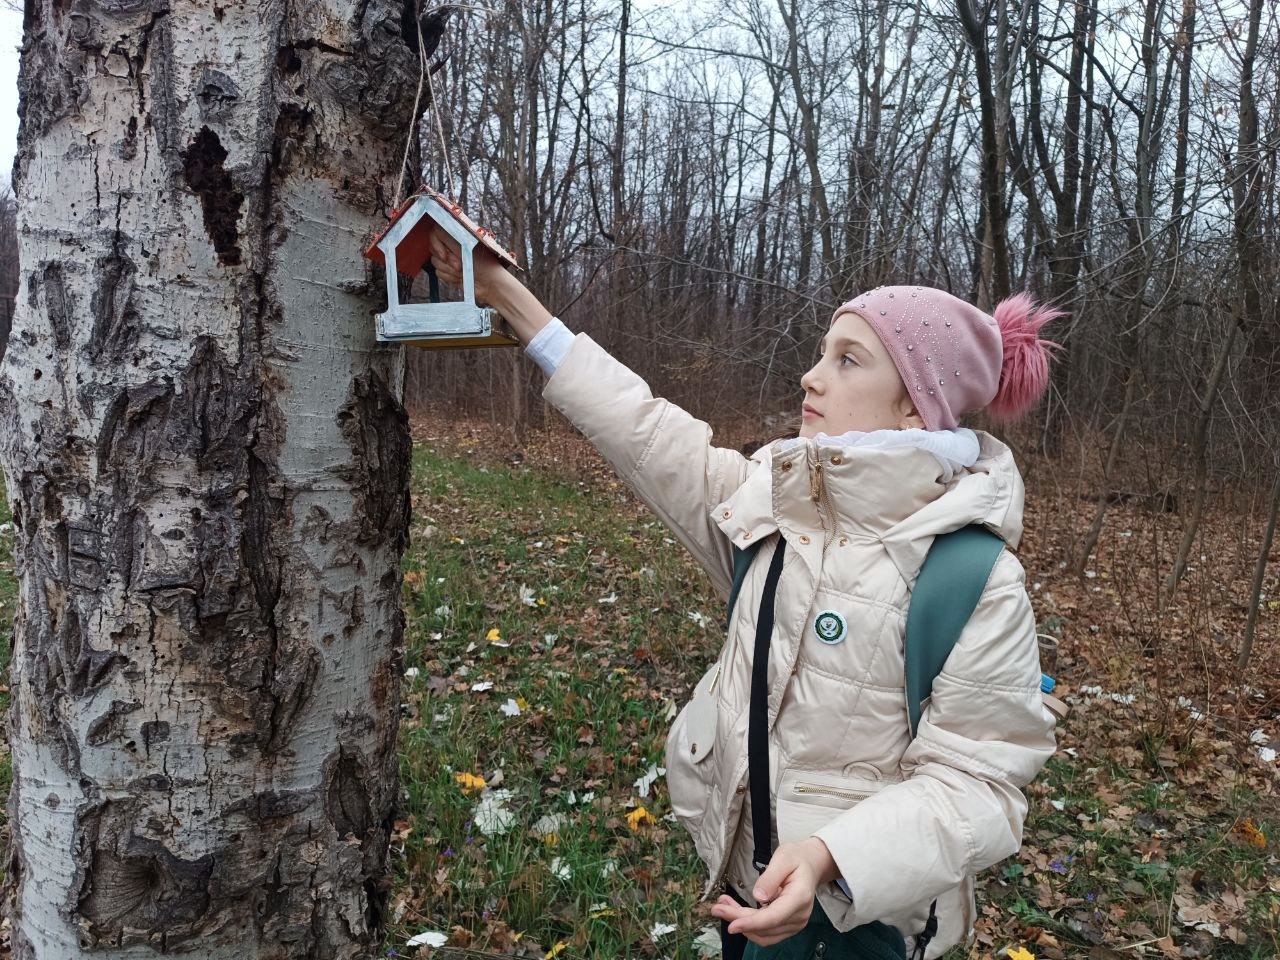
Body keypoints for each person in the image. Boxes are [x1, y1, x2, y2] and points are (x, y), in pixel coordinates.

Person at [424, 228, 1058, 959]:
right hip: (746, 893)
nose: (811, 378)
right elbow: (645, 432)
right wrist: (508, 297)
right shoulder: (774, 510)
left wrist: (830, 859)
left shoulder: (975, 578)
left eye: (847, 360)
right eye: (822, 352)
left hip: (861, 925)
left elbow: (980, 786)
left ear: (918, 406)